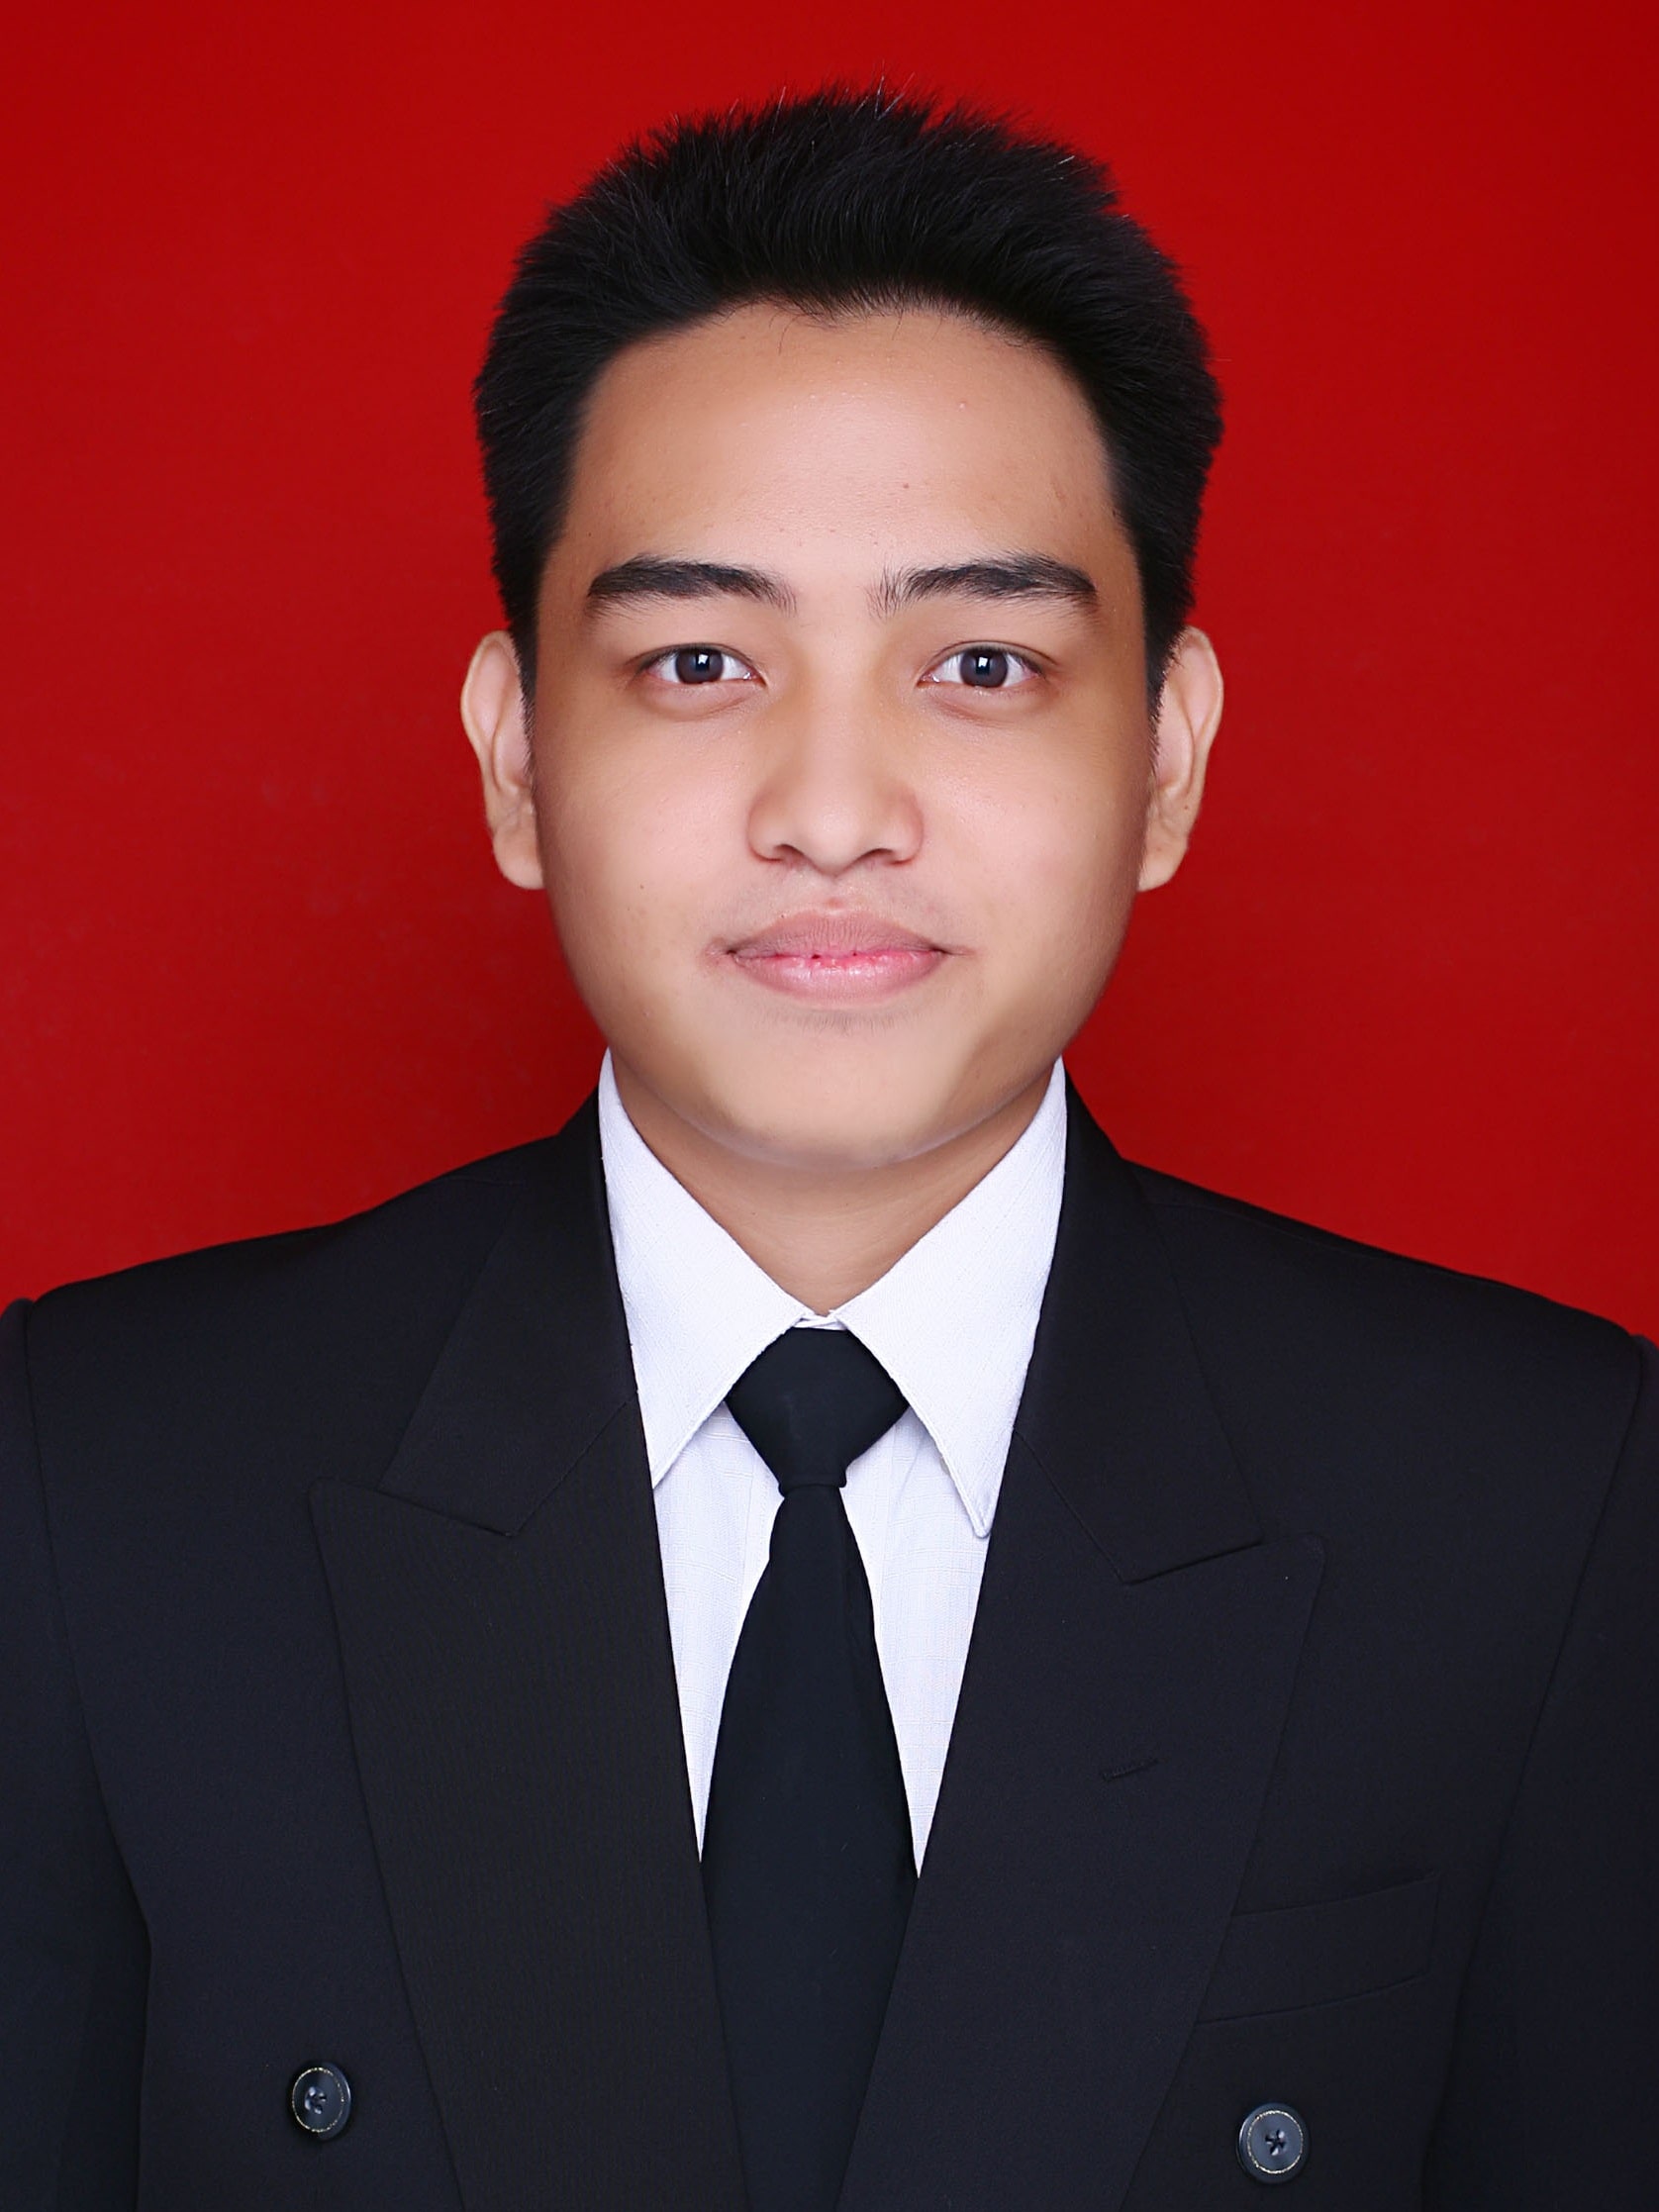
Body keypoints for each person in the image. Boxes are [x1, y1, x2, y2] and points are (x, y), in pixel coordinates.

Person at [2, 87, 1653, 2212]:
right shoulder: (96, 1486)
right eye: (700, 660)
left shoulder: (1538, 1505)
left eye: (982, 661)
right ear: (516, 759)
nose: (835, 810)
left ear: (1164, 758)